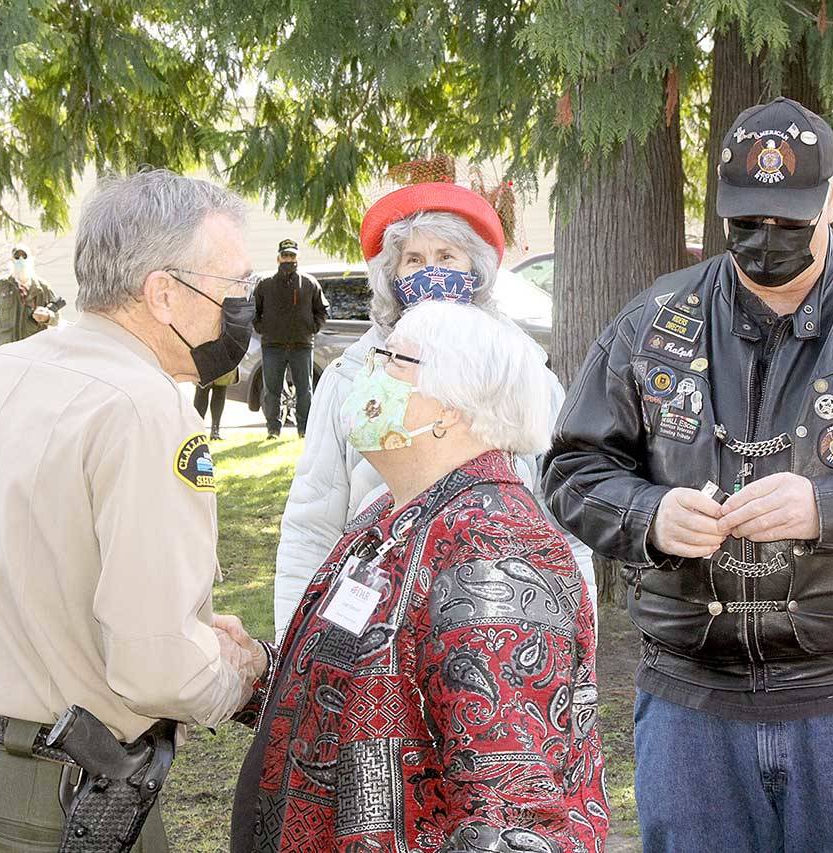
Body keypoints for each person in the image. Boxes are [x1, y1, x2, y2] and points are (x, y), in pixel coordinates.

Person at [543, 97, 833, 851]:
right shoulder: (653, 320)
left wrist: (832, 507)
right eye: (746, 221)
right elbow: (574, 467)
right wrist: (648, 516)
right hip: (693, 699)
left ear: (832, 197)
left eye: (791, 220)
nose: (766, 240)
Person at [0, 170, 262, 852]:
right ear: (164, 293)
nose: (245, 305)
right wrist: (236, 673)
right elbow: (159, 668)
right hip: (50, 802)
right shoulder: (144, 407)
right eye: (237, 285)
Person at [224, 301, 608, 852]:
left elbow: (512, 808)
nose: (368, 375)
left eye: (392, 361)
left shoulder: (492, 547)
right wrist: (261, 670)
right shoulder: (391, 516)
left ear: (450, 408)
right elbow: (370, 689)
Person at [274, 182, 595, 642]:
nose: (432, 274)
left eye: (447, 257)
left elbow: (565, 526)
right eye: (414, 260)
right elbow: (311, 525)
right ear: (393, 276)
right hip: (373, 623)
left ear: (476, 270)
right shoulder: (350, 377)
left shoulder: (523, 373)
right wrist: (291, 644)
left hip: (498, 615)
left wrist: (581, 639)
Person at [252, 238, 327, 439]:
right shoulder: (265, 284)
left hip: (301, 345)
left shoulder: (309, 283)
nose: (288, 259)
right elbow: (254, 310)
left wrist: (312, 328)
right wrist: (262, 328)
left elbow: (322, 310)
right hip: (272, 346)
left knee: (305, 390)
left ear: (298, 258)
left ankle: (304, 430)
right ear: (278, 258)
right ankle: (273, 430)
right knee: (271, 390)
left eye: (292, 256)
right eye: (285, 256)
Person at [0, 243, 61, 345]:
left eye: (24, 257)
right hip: (8, 346)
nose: (21, 260)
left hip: (34, 345)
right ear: (12, 261)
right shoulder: (2, 285)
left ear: (31, 260)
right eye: (17, 257)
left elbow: (57, 317)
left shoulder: (42, 287)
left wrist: (47, 317)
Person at [195, 367, 238, 440]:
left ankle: (215, 431)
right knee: (202, 391)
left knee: (220, 390)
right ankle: (197, 430)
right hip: (204, 363)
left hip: (223, 363)